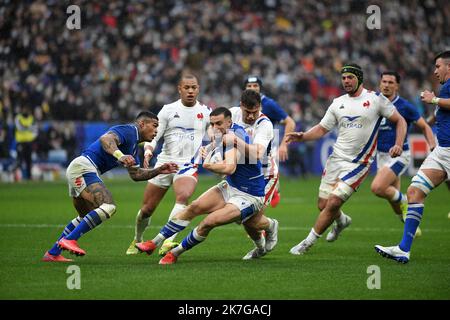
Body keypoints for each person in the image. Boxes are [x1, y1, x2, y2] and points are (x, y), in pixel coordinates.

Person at [285, 63, 407, 255]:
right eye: (343, 78)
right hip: (336, 159)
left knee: (333, 203)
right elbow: (322, 128)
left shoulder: (376, 100)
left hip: (359, 164)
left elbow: (400, 120)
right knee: (323, 205)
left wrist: (398, 143)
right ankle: (342, 221)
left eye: (350, 77)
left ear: (359, 78)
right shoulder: (337, 103)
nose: (346, 81)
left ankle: (307, 243)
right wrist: (303, 136)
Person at [134, 107, 278, 264]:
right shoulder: (223, 134)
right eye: (213, 124)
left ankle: (175, 253)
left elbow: (229, 168)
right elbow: (221, 156)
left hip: (249, 195)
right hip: (231, 187)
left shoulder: (234, 136)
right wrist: (209, 149)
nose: (215, 127)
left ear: (230, 122)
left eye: (219, 124)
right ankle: (153, 243)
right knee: (193, 207)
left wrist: (209, 165)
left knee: (210, 222)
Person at [42, 111, 178, 262]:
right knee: (108, 206)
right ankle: (70, 240)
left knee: (84, 216)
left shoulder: (133, 147)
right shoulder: (129, 131)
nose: (156, 131)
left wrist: (159, 170)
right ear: (142, 124)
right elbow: (105, 138)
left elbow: (136, 175)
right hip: (84, 167)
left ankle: (53, 253)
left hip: (80, 168)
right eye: (154, 126)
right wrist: (120, 156)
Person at [375, 51, 450, 263]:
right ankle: (403, 249)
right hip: (442, 151)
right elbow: (438, 114)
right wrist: (432, 117)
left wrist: (433, 99)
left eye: (438, 66)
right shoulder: (444, 88)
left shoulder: (446, 87)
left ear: (448, 67)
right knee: (415, 191)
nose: (435, 71)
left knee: (382, 188)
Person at [126, 74, 211, 256]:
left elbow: (214, 137)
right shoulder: (168, 110)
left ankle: (168, 241)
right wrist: (148, 150)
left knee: (183, 197)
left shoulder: (205, 112)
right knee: (147, 209)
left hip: (188, 164)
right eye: (186, 87)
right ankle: (137, 239)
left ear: (198, 89)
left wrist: (210, 149)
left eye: (193, 87)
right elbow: (155, 134)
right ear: (179, 89)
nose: (190, 91)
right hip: (164, 163)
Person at [370, 71, 436, 236]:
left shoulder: (405, 106)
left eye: (390, 82)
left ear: (397, 86)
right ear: (380, 84)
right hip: (381, 156)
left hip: (400, 154)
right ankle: (407, 223)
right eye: (384, 82)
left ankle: (406, 201)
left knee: (378, 188)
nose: (386, 85)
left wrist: (433, 147)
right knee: (392, 198)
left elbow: (425, 126)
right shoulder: (373, 102)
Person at [229, 89, 280, 259]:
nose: (251, 116)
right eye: (247, 112)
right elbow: (214, 126)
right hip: (243, 174)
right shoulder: (232, 114)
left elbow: (256, 153)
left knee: (251, 220)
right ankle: (260, 248)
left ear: (260, 107)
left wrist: (234, 140)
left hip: (265, 175)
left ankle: (271, 225)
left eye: (255, 112)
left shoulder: (264, 124)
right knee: (243, 219)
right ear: (241, 106)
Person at [244, 76, 296, 207]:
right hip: (248, 151)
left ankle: (272, 191)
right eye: (249, 86)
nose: (252, 88)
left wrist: (284, 144)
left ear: (260, 87)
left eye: (255, 86)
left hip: (265, 151)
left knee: (254, 204)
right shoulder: (243, 104)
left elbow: (290, 122)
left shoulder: (268, 104)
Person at [14, 106, 38, 180]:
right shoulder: (18, 118)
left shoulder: (32, 118)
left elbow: (35, 129)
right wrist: (29, 128)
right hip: (20, 142)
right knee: (19, 160)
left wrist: (27, 128)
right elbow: (20, 128)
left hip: (29, 142)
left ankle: (29, 177)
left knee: (29, 161)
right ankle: (17, 177)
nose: (26, 111)